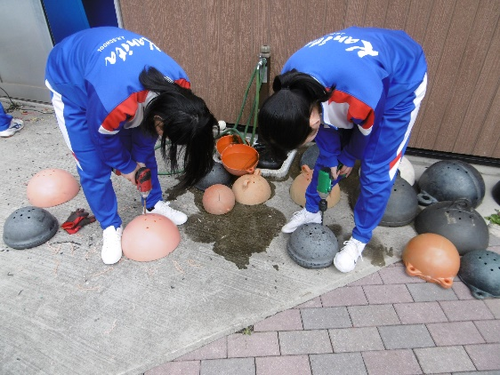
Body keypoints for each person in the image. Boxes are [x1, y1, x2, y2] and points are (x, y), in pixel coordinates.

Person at [258, 27, 428, 273]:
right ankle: (312, 210)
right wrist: (330, 157)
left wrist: (348, 157)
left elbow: (367, 131)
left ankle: (360, 239)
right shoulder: (288, 86)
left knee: (375, 169)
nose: (316, 132)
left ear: (313, 121)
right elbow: (325, 130)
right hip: (354, 75)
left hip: (400, 80)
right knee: (326, 159)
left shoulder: (359, 96)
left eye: (310, 134)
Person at [45, 27, 218, 265]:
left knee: (144, 156)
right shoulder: (114, 102)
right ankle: (110, 226)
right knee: (93, 167)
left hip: (113, 80)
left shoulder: (180, 88)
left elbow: (146, 141)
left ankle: (154, 203)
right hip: (71, 84)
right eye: (163, 132)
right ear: (159, 118)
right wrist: (126, 167)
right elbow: (103, 139)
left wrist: (138, 161)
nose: (162, 137)